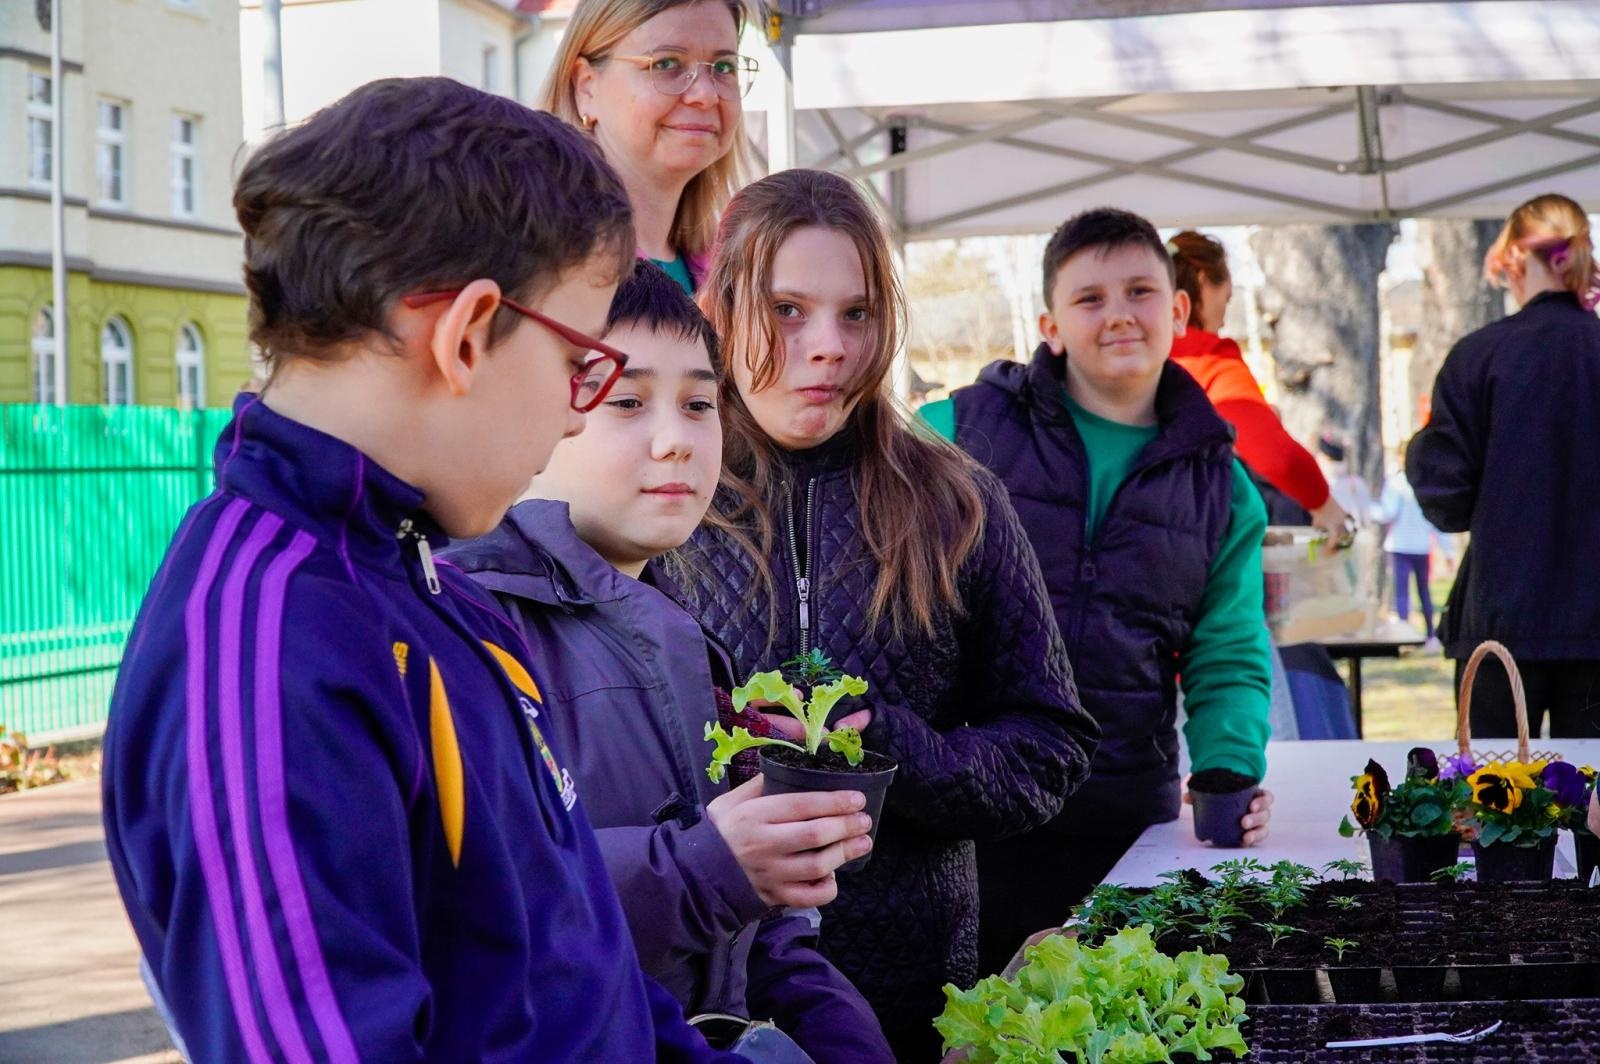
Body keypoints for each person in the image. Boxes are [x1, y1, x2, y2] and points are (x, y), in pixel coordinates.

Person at [100, 78, 740, 1063]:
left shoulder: (433, 584)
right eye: (584, 365)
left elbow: (576, 970)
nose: (575, 414)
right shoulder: (267, 647)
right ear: (467, 332)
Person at [673, 169, 1100, 1060]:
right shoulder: (664, 500)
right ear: (720, 308)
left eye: (855, 313)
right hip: (702, 1002)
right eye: (788, 310)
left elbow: (1053, 743)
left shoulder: (957, 501)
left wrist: (910, 753)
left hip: (914, 1003)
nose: (828, 346)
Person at [444, 262, 893, 1063]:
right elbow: (485, 903)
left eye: (698, 403)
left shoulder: (679, 636)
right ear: (539, 411)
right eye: (626, 401)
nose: (676, 438)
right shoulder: (471, 626)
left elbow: (756, 940)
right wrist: (703, 866)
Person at [919, 208, 1275, 975]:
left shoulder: (1225, 489)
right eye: (1089, 299)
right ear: (1050, 324)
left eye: (1140, 291)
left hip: (1119, 824)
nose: (1118, 315)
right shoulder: (954, 429)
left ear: (1179, 310)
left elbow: (1229, 648)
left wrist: (1228, 769)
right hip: (962, 812)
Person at [1408, 191, 1600, 739]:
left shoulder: (1480, 356)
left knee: (1493, 808)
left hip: (1502, 618)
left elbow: (1446, 500)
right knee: (1594, 810)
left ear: (1515, 257)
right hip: (1595, 630)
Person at [542, 0, 756, 293]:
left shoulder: (734, 271)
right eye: (666, 63)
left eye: (723, 67)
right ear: (586, 86)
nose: (706, 94)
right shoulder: (543, 264)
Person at [1167, 230, 1350, 538]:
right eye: (1226, 297)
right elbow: (1276, 456)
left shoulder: (1130, 357)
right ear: (1201, 282)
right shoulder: (1209, 359)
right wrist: (1325, 506)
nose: (1224, 318)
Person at [1370, 455, 1451, 651]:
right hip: (1420, 546)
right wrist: (1448, 551)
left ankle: (1406, 636)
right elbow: (1436, 521)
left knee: (1403, 593)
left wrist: (1368, 508)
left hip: (1401, 546)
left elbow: (1387, 512)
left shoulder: (1397, 484)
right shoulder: (1427, 485)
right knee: (1424, 591)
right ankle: (1430, 634)